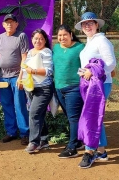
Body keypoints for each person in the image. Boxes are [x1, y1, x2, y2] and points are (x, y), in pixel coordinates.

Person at [74, 12, 116, 169]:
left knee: (90, 115)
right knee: (95, 116)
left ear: (97, 24)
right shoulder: (90, 42)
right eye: (84, 24)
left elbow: (111, 63)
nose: (87, 26)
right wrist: (84, 72)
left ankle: (90, 151)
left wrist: (92, 72)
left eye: (90, 23)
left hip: (100, 84)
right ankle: (101, 151)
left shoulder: (102, 40)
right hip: (89, 84)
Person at [0, 14, 29, 145]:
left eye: (12, 22)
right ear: (3, 25)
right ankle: (11, 132)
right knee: (6, 105)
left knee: (20, 105)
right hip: (3, 77)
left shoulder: (21, 36)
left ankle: (25, 133)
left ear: (16, 24)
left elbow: (25, 57)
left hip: (17, 77)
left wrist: (21, 77)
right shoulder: (0, 38)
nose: (9, 24)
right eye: (7, 22)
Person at [53, 24, 85, 158]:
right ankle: (78, 141)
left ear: (71, 35)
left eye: (64, 35)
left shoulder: (80, 48)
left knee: (73, 118)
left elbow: (86, 65)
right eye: (59, 35)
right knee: (69, 116)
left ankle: (72, 147)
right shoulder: (55, 48)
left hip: (74, 88)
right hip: (59, 88)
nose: (62, 38)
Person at [22, 29, 54, 153]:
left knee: (34, 114)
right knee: (38, 114)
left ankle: (34, 142)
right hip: (30, 88)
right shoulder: (30, 52)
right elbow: (25, 68)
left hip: (43, 89)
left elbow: (48, 71)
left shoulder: (46, 52)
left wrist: (33, 71)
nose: (38, 41)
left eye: (41, 38)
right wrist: (22, 80)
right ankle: (44, 140)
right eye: (36, 38)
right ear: (32, 39)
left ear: (45, 40)